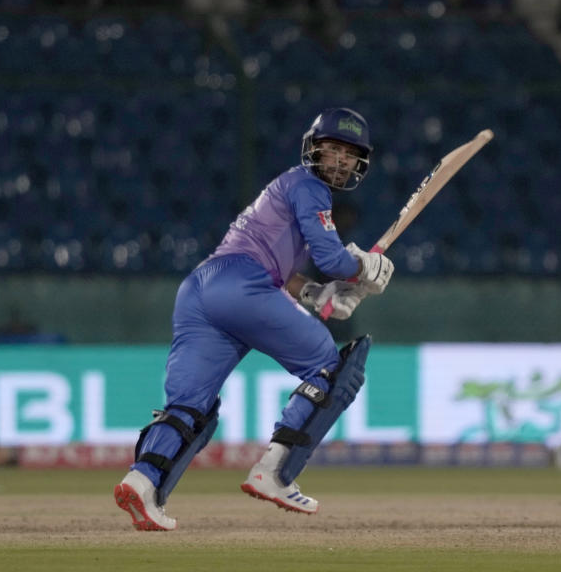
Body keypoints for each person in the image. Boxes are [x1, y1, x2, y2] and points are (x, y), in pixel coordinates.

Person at [114, 107, 394, 531]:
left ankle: (143, 481)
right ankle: (275, 473)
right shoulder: (310, 186)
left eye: (349, 154)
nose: (339, 160)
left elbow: (282, 270)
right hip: (242, 285)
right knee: (330, 368)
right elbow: (332, 259)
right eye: (332, 149)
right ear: (313, 150)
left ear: (359, 163)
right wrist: (365, 268)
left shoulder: (288, 187)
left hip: (200, 291)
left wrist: (316, 294)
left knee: (191, 406)